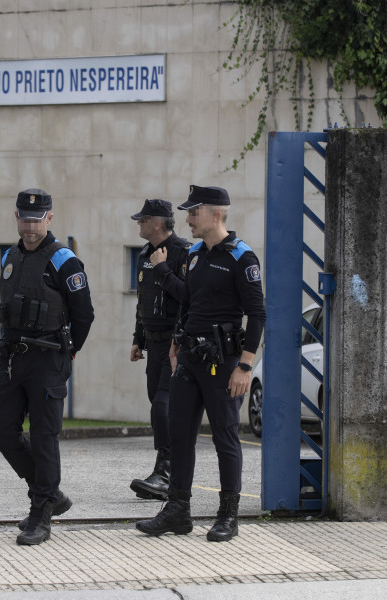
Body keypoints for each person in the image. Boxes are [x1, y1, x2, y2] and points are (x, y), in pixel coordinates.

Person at [135, 185, 265, 542]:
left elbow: (257, 315)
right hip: (189, 359)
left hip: (223, 361)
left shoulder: (241, 257)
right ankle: (178, 510)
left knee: (225, 437)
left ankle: (227, 515)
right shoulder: (194, 255)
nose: (188, 219)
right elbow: (188, 304)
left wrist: (245, 365)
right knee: (179, 434)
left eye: (195, 212)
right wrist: (177, 343)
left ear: (216, 214)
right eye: (188, 213)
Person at [0, 188, 94, 546]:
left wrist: (69, 353)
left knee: (44, 438)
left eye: (37, 219)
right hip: (15, 359)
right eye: (24, 218)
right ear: (16, 217)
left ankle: (41, 515)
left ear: (50, 219)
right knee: (2, 430)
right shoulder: (11, 254)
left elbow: (84, 315)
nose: (30, 225)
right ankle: (50, 494)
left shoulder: (63, 260)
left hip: (49, 359)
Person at [128, 199, 190, 501]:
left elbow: (187, 298)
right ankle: (169, 472)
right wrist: (138, 338)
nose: (139, 223)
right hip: (153, 343)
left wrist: (164, 268)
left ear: (159, 222)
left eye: (144, 219)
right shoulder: (144, 254)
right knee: (157, 403)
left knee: (163, 405)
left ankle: (165, 472)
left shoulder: (184, 253)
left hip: (175, 343)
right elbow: (143, 301)